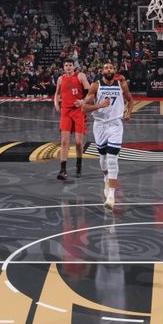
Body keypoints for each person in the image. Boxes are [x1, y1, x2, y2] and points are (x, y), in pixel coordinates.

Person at [81, 62, 134, 210]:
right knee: (103, 159)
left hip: (116, 124)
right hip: (100, 125)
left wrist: (128, 112)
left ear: (115, 70)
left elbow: (130, 100)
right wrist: (99, 106)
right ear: (102, 71)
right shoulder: (95, 86)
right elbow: (84, 108)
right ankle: (106, 178)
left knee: (112, 159)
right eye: (106, 68)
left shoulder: (121, 84)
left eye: (111, 67)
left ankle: (111, 196)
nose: (109, 69)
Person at [54, 59, 91, 180]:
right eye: (66, 65)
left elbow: (89, 91)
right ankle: (62, 170)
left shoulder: (80, 76)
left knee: (78, 142)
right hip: (66, 111)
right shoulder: (60, 79)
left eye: (70, 65)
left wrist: (82, 101)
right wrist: (56, 102)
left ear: (74, 66)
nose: (68, 67)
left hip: (78, 111)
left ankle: (79, 164)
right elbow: (57, 93)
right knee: (64, 141)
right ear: (63, 67)